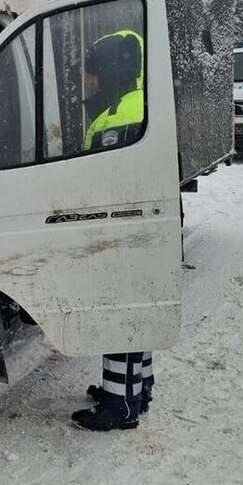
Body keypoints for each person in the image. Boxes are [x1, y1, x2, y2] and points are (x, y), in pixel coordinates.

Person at [71, 29, 154, 432]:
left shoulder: (122, 115)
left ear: (116, 70)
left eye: (96, 72)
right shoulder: (131, 101)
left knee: (119, 316)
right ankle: (139, 387)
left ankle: (119, 406)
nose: (91, 81)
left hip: (122, 228)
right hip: (137, 228)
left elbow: (105, 180)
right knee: (136, 312)